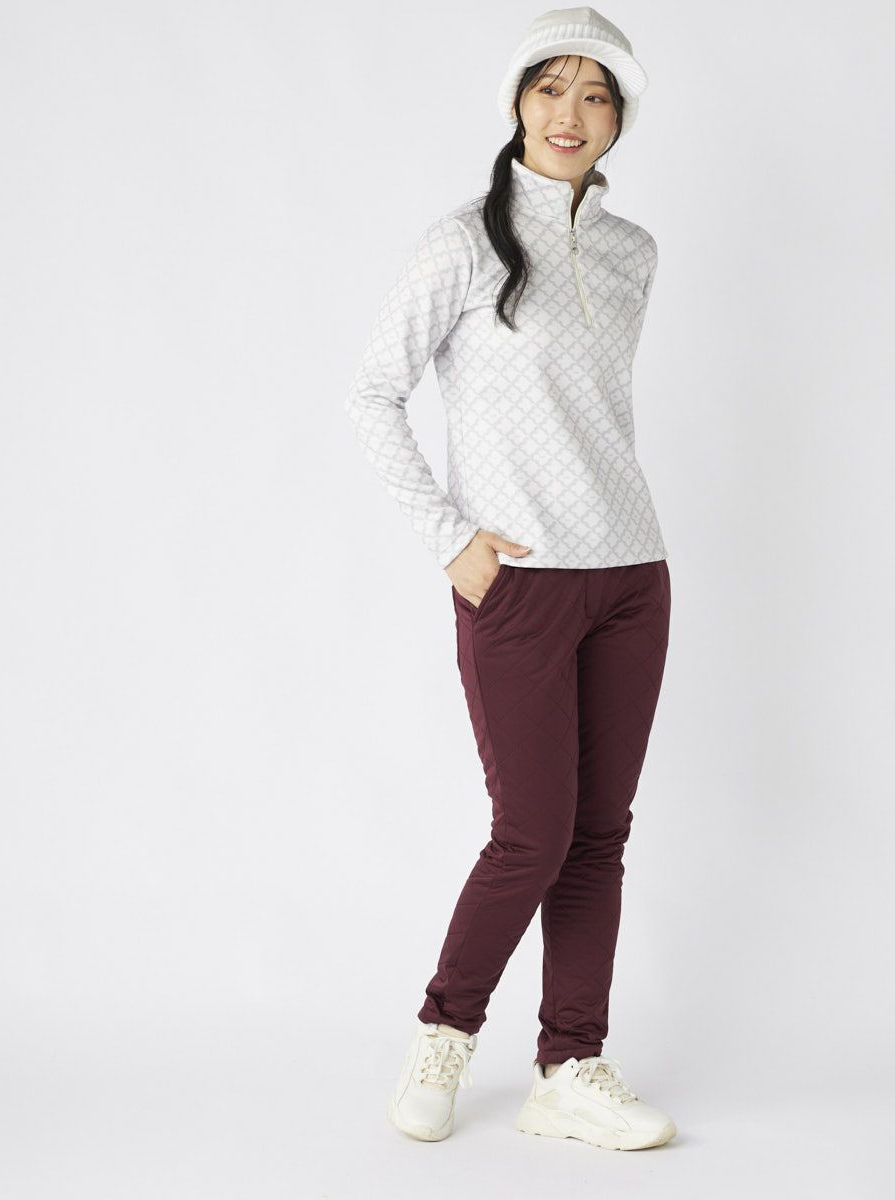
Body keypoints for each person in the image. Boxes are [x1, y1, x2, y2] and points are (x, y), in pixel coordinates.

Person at [346, 6, 676, 1152]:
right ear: (517, 102)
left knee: (598, 835)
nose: (569, 113)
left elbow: (593, 417)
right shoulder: (460, 244)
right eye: (550, 88)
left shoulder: (633, 253)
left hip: (630, 573)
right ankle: (444, 1034)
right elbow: (373, 391)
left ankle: (571, 1065)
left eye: (595, 93)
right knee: (531, 831)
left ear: (618, 117)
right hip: (519, 583)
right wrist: (451, 538)